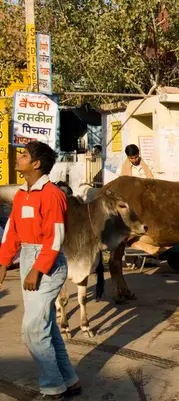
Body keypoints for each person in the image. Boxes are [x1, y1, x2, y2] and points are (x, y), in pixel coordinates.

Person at [0, 141, 81, 399]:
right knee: (46, 327)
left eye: (23, 155)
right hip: (27, 256)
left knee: (32, 330)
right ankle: (69, 380)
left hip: (47, 262)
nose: (18, 157)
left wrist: (38, 269)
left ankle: (53, 388)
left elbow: (55, 239)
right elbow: (11, 233)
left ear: (36, 164)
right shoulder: (22, 194)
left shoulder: (52, 195)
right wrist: (3, 264)